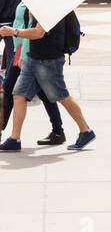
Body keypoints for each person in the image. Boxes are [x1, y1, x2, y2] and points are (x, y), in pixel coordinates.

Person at [0, 11, 94, 152]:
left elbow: (39, 32)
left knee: (62, 97)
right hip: (33, 58)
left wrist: (14, 31)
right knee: (19, 94)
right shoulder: (40, 4)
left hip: (48, 61)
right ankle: (14, 139)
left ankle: (86, 131)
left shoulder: (49, 7)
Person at [1, 0, 66, 144]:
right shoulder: (25, 1)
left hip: (27, 56)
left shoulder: (33, 4)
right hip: (21, 53)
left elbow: (31, 33)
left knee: (10, 91)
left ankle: (62, 131)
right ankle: (58, 131)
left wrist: (22, 56)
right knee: (44, 94)